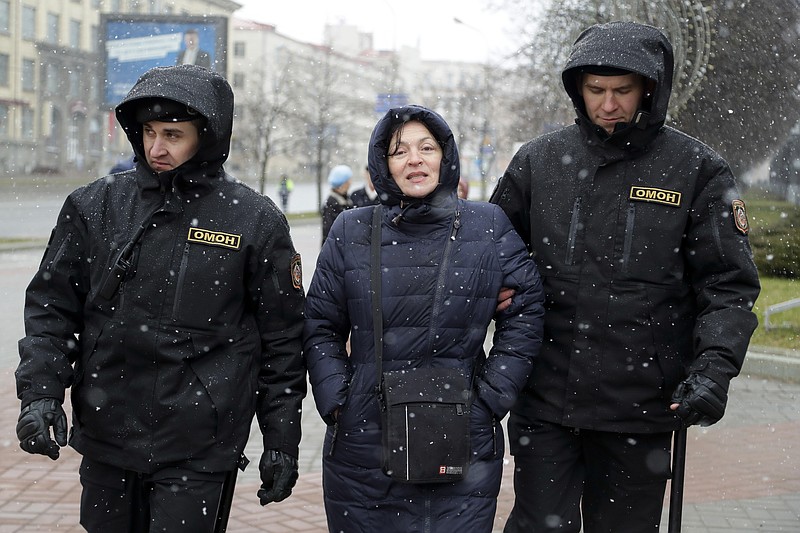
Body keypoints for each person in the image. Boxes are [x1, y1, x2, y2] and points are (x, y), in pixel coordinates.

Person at [489, 21, 760, 533]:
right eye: (595, 90)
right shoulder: (538, 162)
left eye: (622, 90)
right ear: (578, 88)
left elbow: (728, 286)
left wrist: (712, 372)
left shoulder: (697, 170)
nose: (607, 104)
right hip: (545, 399)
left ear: (649, 90)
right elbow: (490, 256)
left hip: (643, 403)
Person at [14, 64, 305, 532]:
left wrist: (282, 440)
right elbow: (51, 310)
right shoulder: (95, 206)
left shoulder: (254, 220)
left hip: (200, 444)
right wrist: (40, 394)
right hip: (108, 432)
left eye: (173, 134)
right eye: (148, 132)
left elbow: (284, 342)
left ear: (207, 137)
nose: (156, 148)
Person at [303, 104, 546, 532]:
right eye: (399, 151)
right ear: (383, 164)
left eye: (426, 147)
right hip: (364, 438)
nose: (414, 159)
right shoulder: (350, 229)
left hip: (462, 435)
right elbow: (321, 323)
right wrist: (337, 400)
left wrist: (491, 396)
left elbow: (526, 310)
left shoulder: (487, 225)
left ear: (445, 156)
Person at [320, 164, 353, 243]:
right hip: (337, 247)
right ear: (343, 183)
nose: (350, 183)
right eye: (348, 181)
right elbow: (328, 230)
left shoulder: (346, 199)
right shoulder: (332, 203)